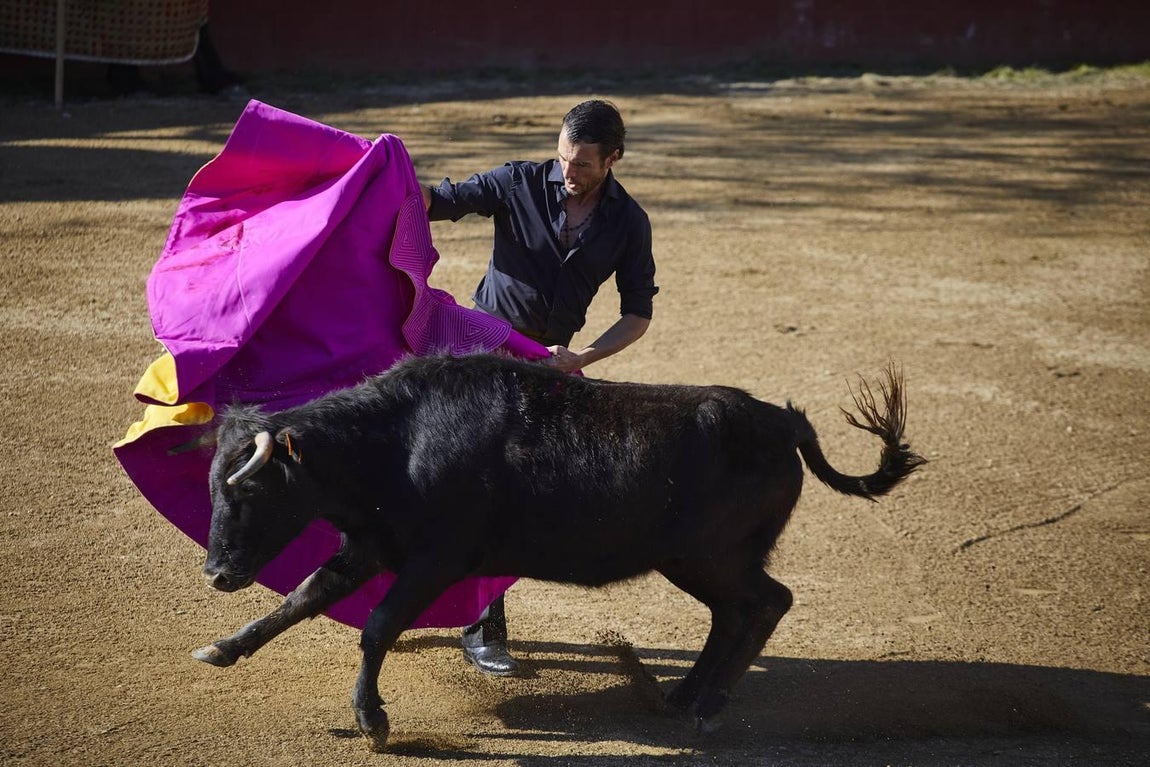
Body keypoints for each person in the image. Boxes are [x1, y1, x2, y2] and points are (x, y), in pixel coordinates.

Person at [421, 99, 659, 676]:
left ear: (613, 159)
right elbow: (439, 202)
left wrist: (582, 359)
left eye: (582, 164)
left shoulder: (629, 221)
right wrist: (380, 174)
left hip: (548, 369)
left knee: (516, 496)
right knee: (475, 487)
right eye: (563, 158)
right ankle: (481, 626)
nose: (567, 172)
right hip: (479, 354)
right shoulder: (518, 182)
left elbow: (637, 313)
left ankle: (472, 616)